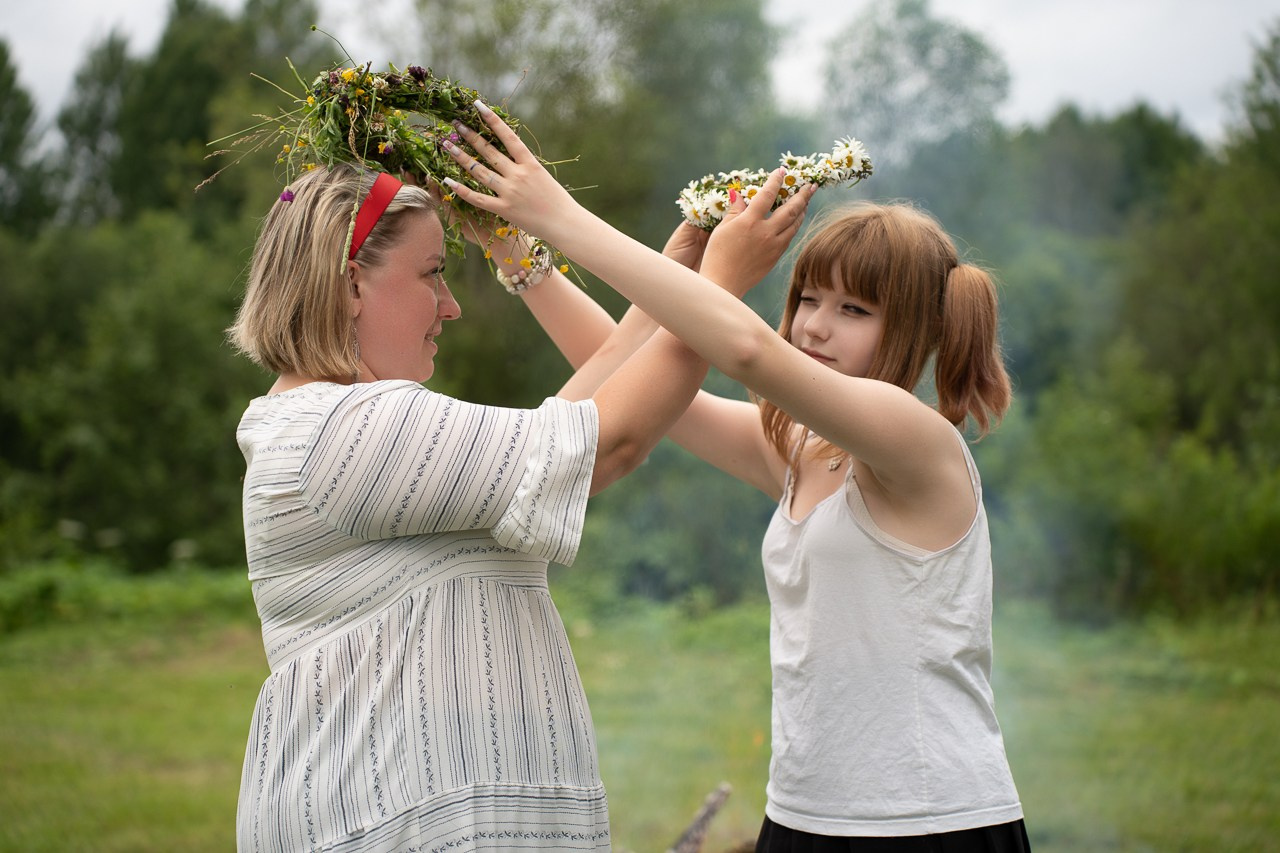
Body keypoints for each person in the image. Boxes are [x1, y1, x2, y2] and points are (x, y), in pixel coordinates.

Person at [442, 103, 1030, 850]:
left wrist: (559, 215)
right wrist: (519, 255)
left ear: (912, 329)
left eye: (853, 309)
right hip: (803, 815)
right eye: (808, 297)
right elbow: (646, 380)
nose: (815, 325)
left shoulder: (916, 440)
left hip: (928, 824)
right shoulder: (798, 449)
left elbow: (747, 349)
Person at [226, 161, 811, 851]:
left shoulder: (322, 424)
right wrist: (717, 289)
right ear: (352, 284)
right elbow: (609, 440)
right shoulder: (350, 427)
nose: (451, 304)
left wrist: (673, 275)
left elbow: (563, 427)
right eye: (431, 273)